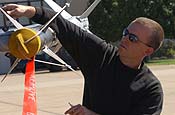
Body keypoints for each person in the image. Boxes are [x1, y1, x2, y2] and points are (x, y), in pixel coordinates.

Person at [3, 4, 164, 115]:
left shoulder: (151, 89)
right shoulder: (102, 56)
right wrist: (29, 11)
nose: (125, 39)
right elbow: (64, 26)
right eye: (125, 32)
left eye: (133, 38)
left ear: (148, 50)